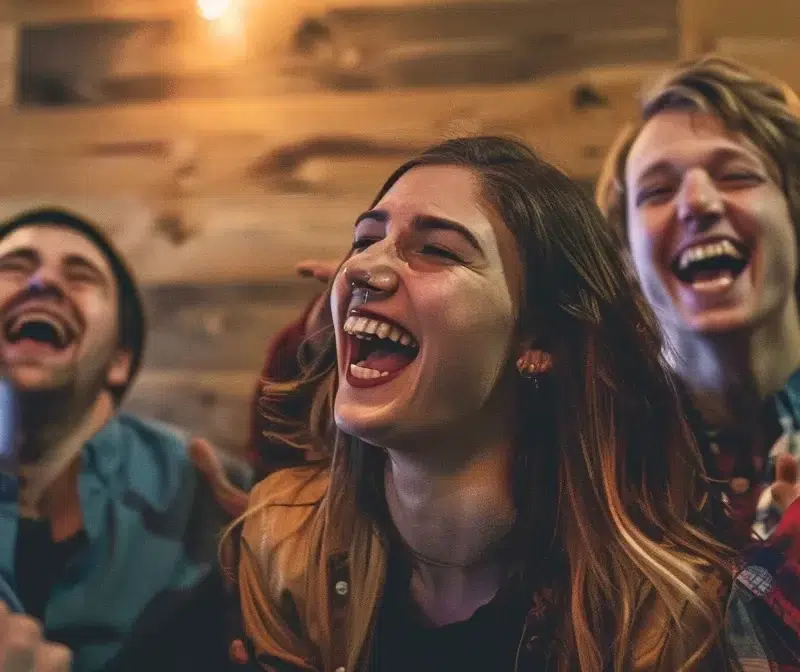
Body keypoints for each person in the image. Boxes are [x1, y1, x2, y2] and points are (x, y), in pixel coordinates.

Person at [232, 137, 736, 671]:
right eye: (365, 240)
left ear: (538, 339)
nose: (361, 268)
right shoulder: (283, 543)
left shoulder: (659, 616)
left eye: (437, 249)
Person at [597, 55, 800, 666]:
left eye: (736, 175)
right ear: (627, 255)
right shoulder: (590, 458)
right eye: (657, 191)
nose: (696, 202)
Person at [0, 207, 252, 672]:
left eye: (80, 277)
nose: (43, 283)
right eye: (13, 268)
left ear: (119, 359)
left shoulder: (206, 492)